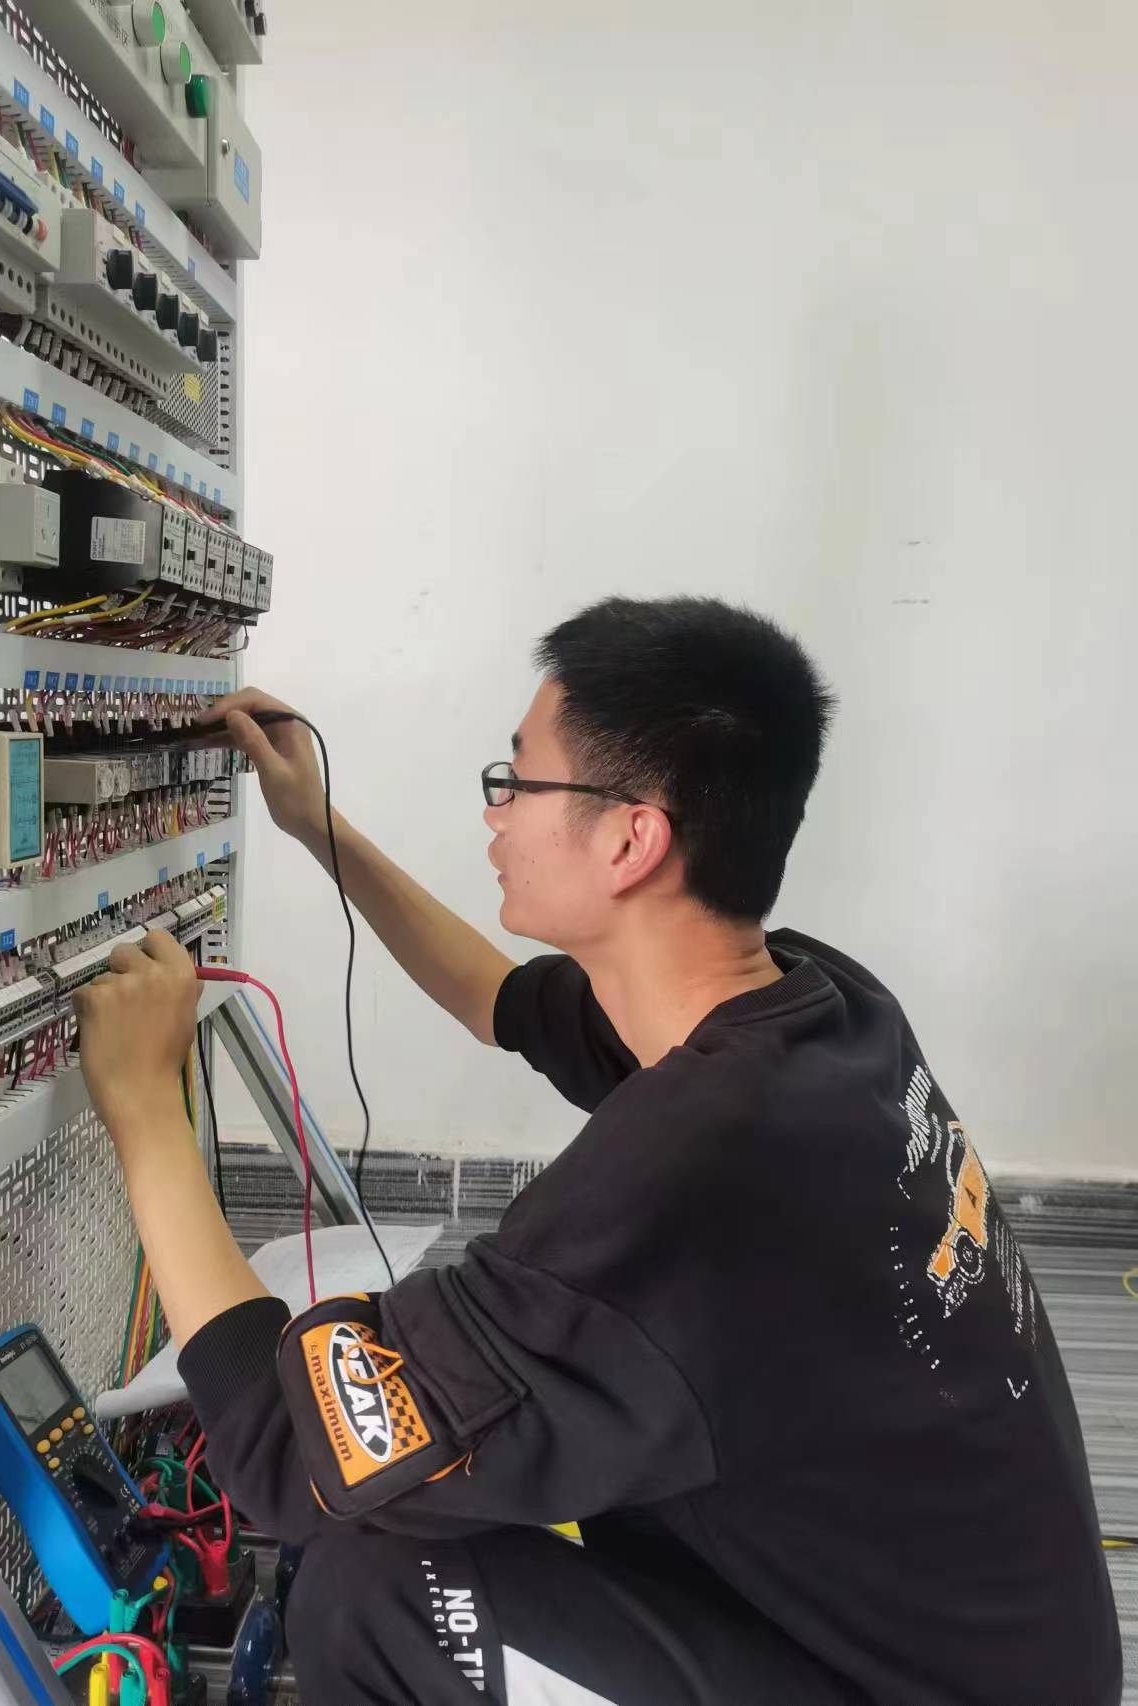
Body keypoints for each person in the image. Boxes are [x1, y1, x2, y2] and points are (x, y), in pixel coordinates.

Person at [74, 596, 1121, 1705]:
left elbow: (291, 1451)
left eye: (517, 780)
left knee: (374, 1588)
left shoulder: (701, 1172)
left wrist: (143, 1105)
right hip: (941, 1643)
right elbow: (496, 998)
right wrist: (314, 824)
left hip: (910, 1688)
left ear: (632, 838)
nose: (495, 811)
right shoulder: (812, 1013)